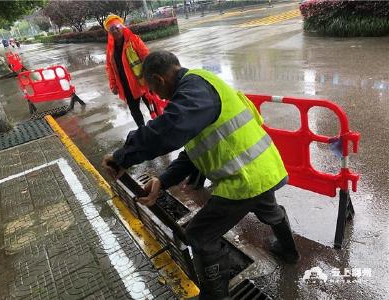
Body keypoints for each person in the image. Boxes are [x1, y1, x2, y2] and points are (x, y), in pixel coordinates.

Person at [102, 51, 300, 299]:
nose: (156, 95)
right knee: (269, 209)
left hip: (244, 178)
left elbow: (167, 131)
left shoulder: (193, 90)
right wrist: (162, 181)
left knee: (199, 234)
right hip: (263, 168)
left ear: (158, 79)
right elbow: (194, 152)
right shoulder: (200, 84)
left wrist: (123, 157)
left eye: (153, 89)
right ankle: (289, 251)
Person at [104, 14, 152, 127]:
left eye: (117, 26)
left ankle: (160, 127)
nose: (115, 30)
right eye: (112, 28)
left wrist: (151, 76)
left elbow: (147, 57)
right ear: (109, 32)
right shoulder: (110, 49)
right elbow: (109, 67)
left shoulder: (134, 40)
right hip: (126, 86)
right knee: (135, 112)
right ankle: (142, 131)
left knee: (152, 107)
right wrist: (113, 84)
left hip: (143, 82)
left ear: (122, 26)